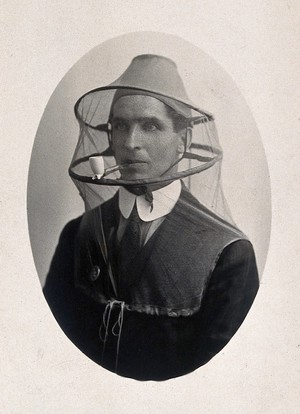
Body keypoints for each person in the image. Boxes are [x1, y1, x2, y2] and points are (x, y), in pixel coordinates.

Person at [44, 54, 259, 381]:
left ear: (183, 141)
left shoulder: (229, 256)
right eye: (120, 126)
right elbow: (50, 345)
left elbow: (223, 378)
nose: (131, 143)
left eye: (150, 126)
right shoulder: (77, 234)